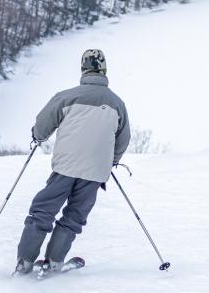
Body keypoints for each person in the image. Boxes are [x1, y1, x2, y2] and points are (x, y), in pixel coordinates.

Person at [15, 48, 130, 276]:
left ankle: (25, 261)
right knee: (74, 216)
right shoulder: (117, 103)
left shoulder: (66, 96)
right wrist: (110, 161)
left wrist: (38, 136)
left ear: (83, 70)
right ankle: (55, 261)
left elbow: (42, 125)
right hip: (96, 171)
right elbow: (123, 138)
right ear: (105, 70)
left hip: (66, 166)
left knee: (43, 211)